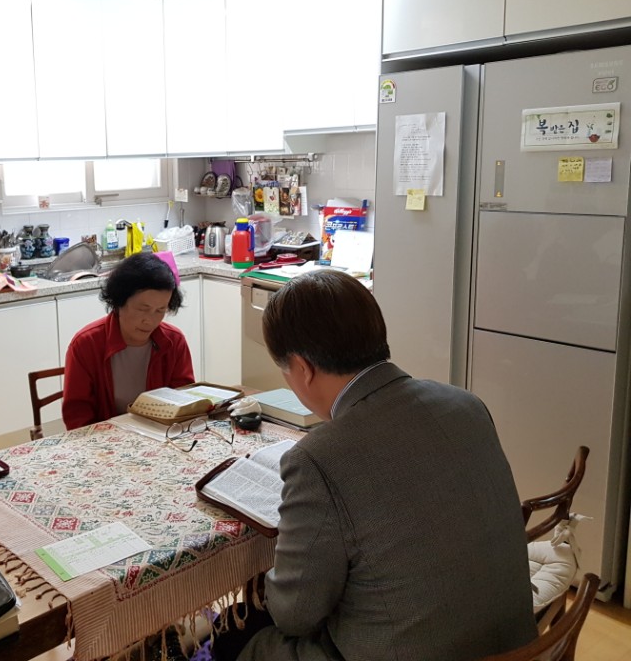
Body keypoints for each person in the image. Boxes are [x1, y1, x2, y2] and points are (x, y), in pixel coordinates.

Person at [213, 270, 536, 661]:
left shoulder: (319, 458)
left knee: (233, 631)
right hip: (514, 640)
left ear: (302, 368)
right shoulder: (466, 404)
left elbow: (294, 615)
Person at [62, 252, 195, 429]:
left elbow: (184, 403)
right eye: (142, 309)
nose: (150, 321)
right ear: (119, 302)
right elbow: (77, 415)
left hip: (161, 435)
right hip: (104, 438)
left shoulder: (174, 342)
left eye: (160, 310)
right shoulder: (86, 344)